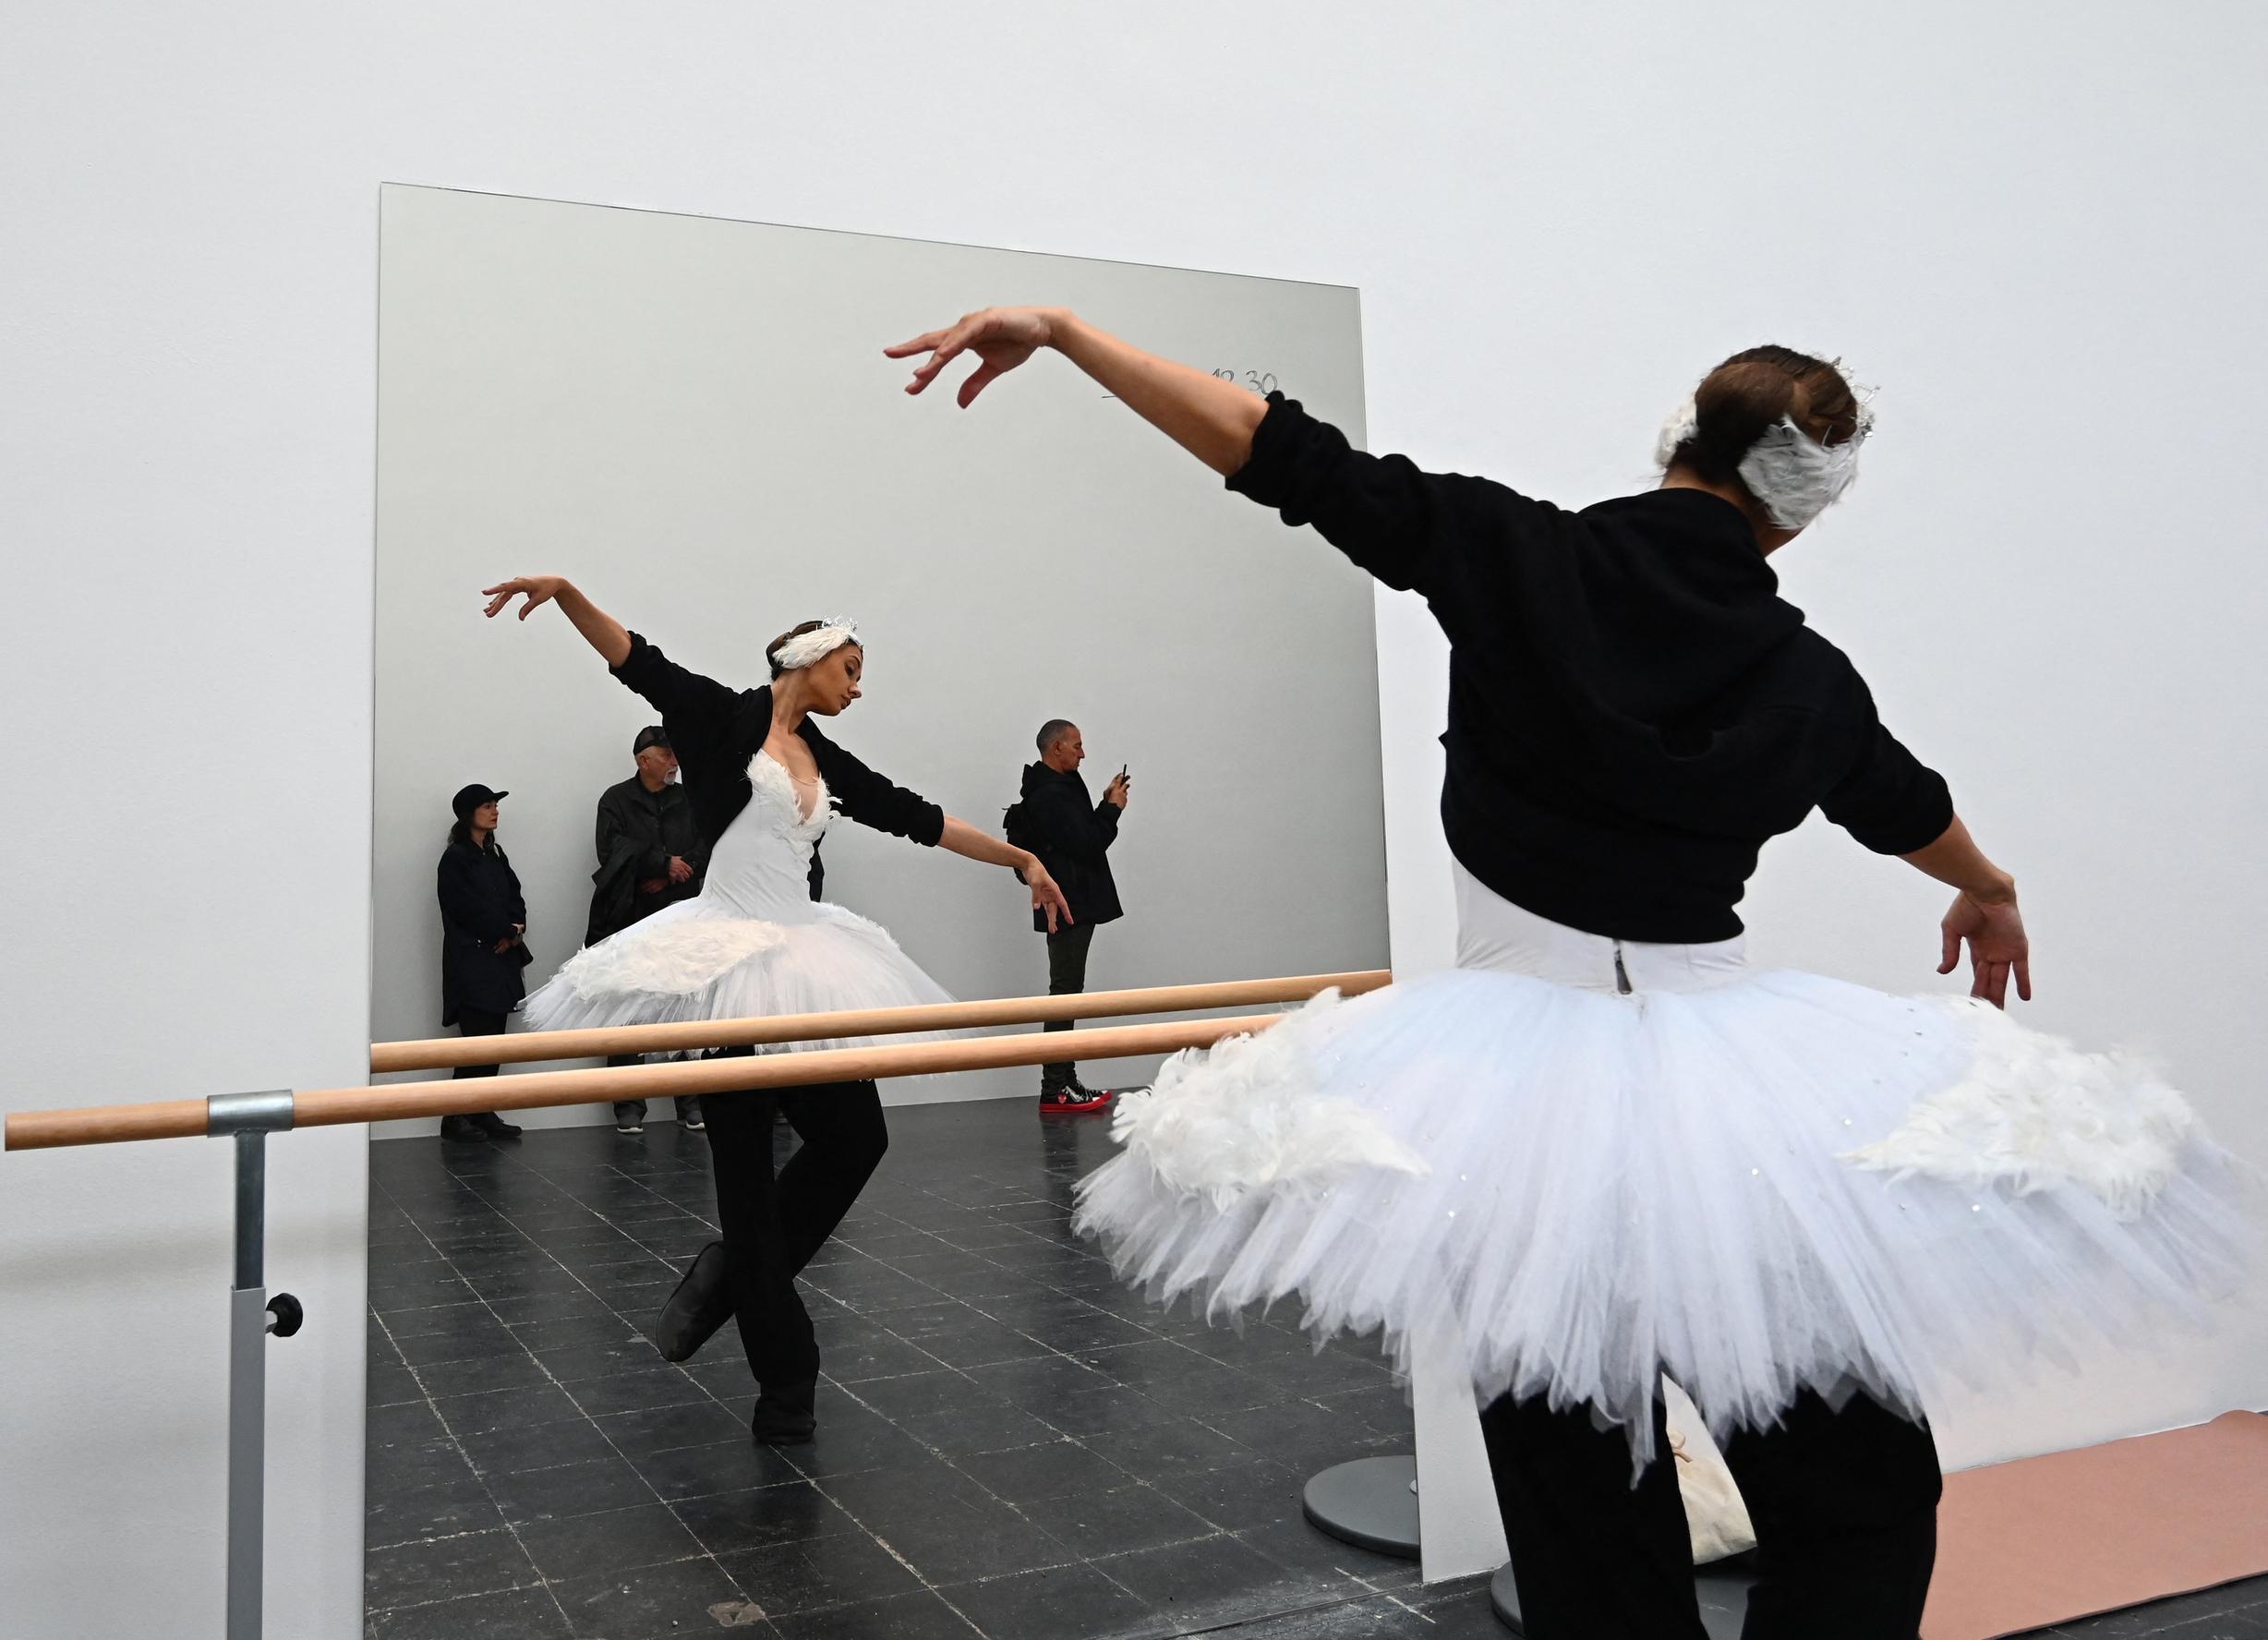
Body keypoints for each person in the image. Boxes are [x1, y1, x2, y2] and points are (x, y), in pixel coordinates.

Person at [889, 308, 2246, 1638]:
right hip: (1734, 1094)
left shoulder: (1515, 553)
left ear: (1681, 441)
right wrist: (1989, 888)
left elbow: (1278, 451)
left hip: (1514, 1094)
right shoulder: (1804, 672)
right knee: (1860, 1490)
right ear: (1800, 512)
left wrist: (1069, 335)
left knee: (1577, 1509)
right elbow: (1903, 803)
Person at [480, 575, 1072, 1443]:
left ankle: (726, 1277)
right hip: (727, 962)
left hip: (805, 956)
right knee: (748, 1182)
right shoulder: (722, 717)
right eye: (852, 668)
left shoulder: (825, 758)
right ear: (808, 657)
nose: (859, 687)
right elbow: (637, 661)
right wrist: (566, 592)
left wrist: (1019, 858)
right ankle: (785, 1380)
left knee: (856, 1137)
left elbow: (918, 816)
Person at [1007, 718, 1129, 1114]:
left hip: (1072, 903)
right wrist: (1111, 808)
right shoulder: (1050, 795)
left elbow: (1077, 836)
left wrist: (1102, 805)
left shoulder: (1058, 786)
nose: (1083, 753)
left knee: (1067, 993)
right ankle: (1055, 1087)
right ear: (1056, 747)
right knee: (1064, 994)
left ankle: (1064, 1079)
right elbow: (1090, 843)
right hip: (1066, 906)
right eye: (1077, 745)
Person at [590, 725, 706, 1134]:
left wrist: (673, 873)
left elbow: (707, 843)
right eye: (667, 755)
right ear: (644, 760)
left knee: (684, 1009)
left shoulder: (689, 798)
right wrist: (661, 864)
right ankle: (628, 1106)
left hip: (681, 918)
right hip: (631, 920)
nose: (675, 762)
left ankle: (691, 1102)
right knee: (628, 1011)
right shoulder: (615, 801)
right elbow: (610, 851)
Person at [435, 783, 530, 1143]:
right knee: (475, 1041)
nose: (495, 811)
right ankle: (456, 1116)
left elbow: (514, 895)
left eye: (495, 805)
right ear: (468, 814)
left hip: (499, 961)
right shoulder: (456, 858)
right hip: (473, 961)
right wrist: (503, 931)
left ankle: (482, 1109)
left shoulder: (494, 854)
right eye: (487, 806)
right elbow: (465, 908)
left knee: (494, 1041)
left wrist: (516, 929)